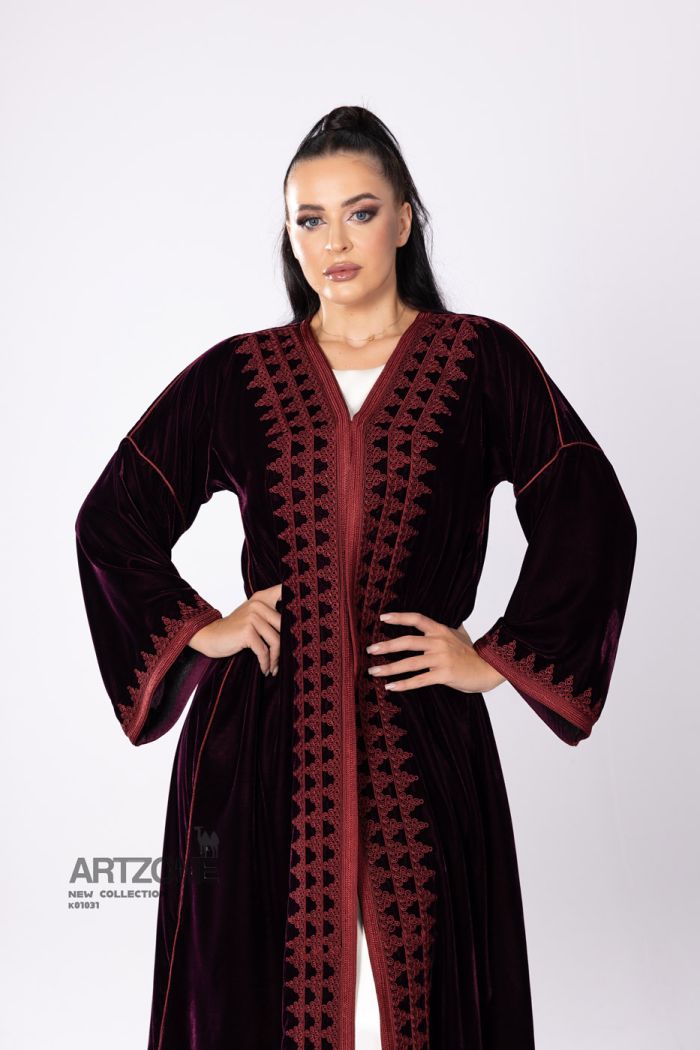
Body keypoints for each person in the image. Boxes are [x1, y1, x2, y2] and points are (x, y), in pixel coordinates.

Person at [74, 105, 637, 1050]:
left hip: (421, 739)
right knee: (255, 995)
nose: (333, 242)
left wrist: (494, 657)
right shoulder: (240, 374)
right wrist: (203, 626)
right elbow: (111, 517)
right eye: (309, 219)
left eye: (360, 212)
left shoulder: (479, 362)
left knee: (408, 1000)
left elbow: (589, 507)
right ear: (289, 234)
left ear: (405, 220)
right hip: (260, 749)